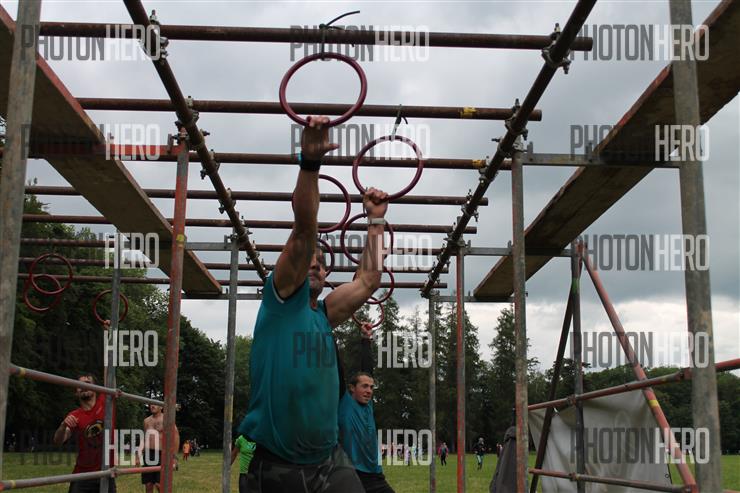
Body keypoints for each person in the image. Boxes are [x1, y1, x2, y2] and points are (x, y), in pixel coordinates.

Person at [238, 115, 389, 493]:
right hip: (276, 463)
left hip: (328, 461)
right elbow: (305, 229)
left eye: (322, 263)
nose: (316, 266)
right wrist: (309, 164)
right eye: (310, 260)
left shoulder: (324, 314)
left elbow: (368, 281)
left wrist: (375, 222)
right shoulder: (280, 301)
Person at [339, 323, 396, 493]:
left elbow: (368, 369)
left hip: (375, 475)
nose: (369, 390)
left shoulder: (368, 404)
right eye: (364, 386)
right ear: (351, 388)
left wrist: (366, 339)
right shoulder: (344, 401)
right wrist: (324, 325)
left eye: (371, 387)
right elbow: (337, 368)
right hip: (352, 474)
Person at [52, 374, 116, 493]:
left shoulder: (105, 402)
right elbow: (58, 441)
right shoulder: (74, 415)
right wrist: (63, 426)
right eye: (79, 385)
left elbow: (110, 373)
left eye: (88, 383)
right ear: (76, 392)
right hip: (82, 475)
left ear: (96, 388)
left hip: (106, 472)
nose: (83, 386)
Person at [136, 403, 179, 493]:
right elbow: (144, 438)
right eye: (151, 404)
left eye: (155, 404)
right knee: (148, 484)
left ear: (161, 407)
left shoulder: (167, 419)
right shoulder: (146, 421)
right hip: (148, 454)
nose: (152, 406)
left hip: (162, 454)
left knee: (160, 485)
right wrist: (138, 455)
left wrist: (174, 457)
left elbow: (175, 436)